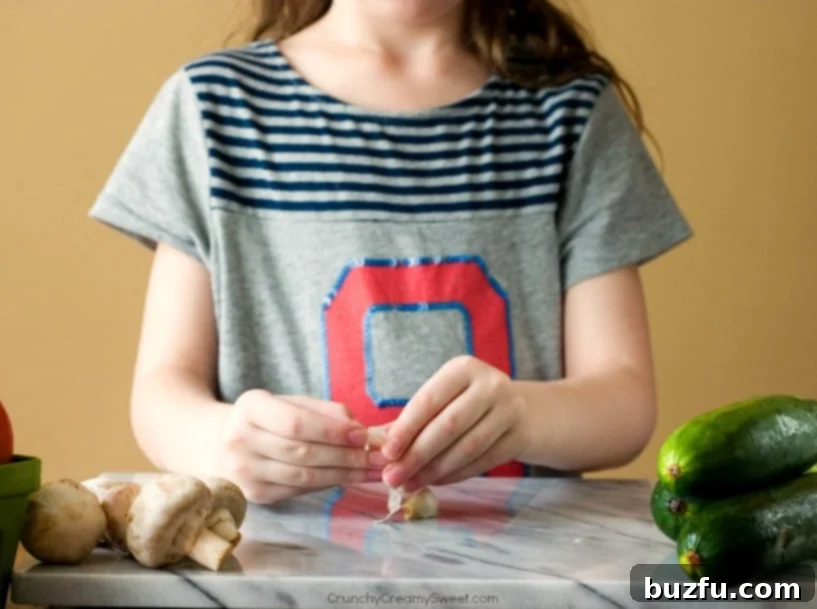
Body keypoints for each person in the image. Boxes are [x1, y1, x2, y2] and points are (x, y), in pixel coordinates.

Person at [89, 0, 692, 504]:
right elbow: (162, 392)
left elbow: (623, 400)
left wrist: (526, 416)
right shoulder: (211, 107)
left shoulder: (573, 112)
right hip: (279, 574)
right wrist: (224, 439)